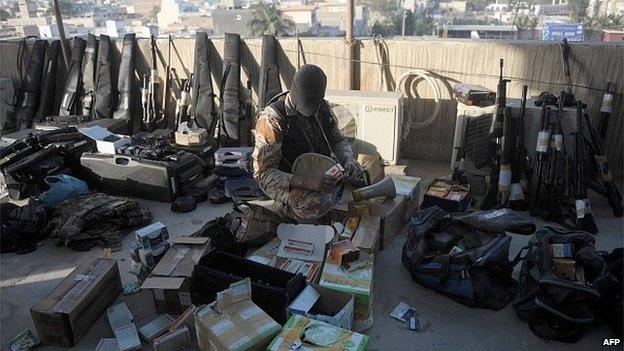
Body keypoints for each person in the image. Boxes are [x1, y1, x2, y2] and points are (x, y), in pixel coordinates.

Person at [252, 64, 362, 221]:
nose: (312, 110)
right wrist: (306, 182)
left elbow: (337, 140)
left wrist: (348, 159)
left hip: (318, 169)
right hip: (288, 178)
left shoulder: (321, 107)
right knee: (312, 205)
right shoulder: (273, 120)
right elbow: (263, 174)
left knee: (358, 176)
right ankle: (285, 208)